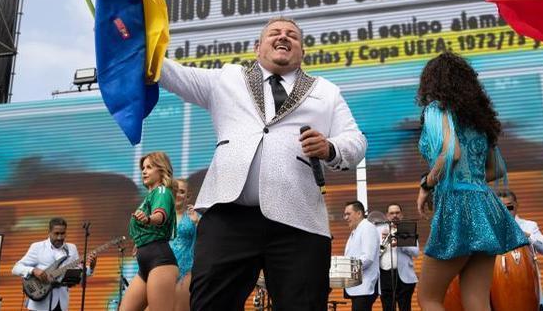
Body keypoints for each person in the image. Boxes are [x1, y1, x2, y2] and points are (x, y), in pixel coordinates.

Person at [159, 16, 367, 310]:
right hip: (228, 216)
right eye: (275, 33)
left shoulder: (326, 91)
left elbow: (356, 141)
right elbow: (173, 74)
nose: (283, 37)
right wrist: (136, 44)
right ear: (257, 48)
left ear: (303, 52)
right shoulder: (228, 78)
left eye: (292, 35)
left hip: (299, 221)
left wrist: (330, 148)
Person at [414, 52, 527, 311]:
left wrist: (426, 185)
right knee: (477, 302)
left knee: (429, 298)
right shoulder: (479, 119)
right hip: (486, 205)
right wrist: (470, 178)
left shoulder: (436, 109)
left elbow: (451, 153)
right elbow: (497, 169)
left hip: (457, 205)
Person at [121, 152, 178, 311]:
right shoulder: (149, 196)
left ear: (161, 170)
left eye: (149, 167)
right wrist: (140, 242)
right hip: (145, 265)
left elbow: (160, 216)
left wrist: (148, 219)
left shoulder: (162, 192)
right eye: (143, 168)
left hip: (160, 262)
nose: (144, 171)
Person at [12, 217, 96, 311]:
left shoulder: (72, 248)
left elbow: (78, 274)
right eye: (56, 233)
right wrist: (33, 270)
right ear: (49, 232)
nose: (59, 237)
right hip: (40, 303)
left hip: (61, 303)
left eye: (62, 233)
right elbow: (16, 268)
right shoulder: (37, 247)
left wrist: (91, 267)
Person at [498, 191, 543, 304]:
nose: (506, 210)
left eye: (509, 207)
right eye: (501, 207)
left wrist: (529, 237)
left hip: (528, 286)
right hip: (499, 288)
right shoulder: (490, 230)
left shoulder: (529, 226)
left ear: (516, 205)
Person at [378, 203, 419, 311]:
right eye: (391, 213)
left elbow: (415, 252)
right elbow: (375, 254)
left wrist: (400, 242)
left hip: (404, 276)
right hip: (385, 276)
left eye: (397, 213)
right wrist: (384, 242)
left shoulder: (407, 229)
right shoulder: (380, 230)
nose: (394, 215)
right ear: (387, 216)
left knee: (405, 307)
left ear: (402, 215)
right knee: (387, 307)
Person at [342, 201, 380, 311]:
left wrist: (346, 269)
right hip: (358, 287)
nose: (346, 217)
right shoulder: (357, 230)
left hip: (364, 286)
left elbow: (367, 258)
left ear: (359, 213)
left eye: (348, 214)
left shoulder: (367, 228)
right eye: (345, 215)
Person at [170, 178, 198, 311]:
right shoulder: (162, 215)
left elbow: (205, 242)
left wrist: (197, 223)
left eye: (181, 191)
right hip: (163, 268)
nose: (177, 194)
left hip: (185, 271)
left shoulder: (194, 217)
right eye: (175, 191)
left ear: (188, 195)